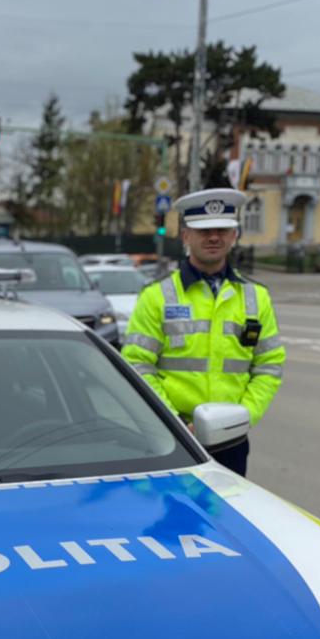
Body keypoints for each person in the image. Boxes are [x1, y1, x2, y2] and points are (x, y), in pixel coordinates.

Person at [122, 187, 285, 476]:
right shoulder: (157, 296)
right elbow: (137, 365)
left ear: (234, 235)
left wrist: (244, 416)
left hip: (231, 439)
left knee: (224, 517)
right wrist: (174, 423)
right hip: (172, 438)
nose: (214, 237)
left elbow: (269, 366)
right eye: (204, 229)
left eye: (222, 229)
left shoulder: (256, 297)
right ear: (186, 236)